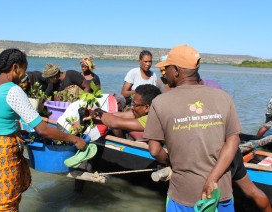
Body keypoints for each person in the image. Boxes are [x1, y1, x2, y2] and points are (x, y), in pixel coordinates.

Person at [0, 48, 87, 211]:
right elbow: (42, 129)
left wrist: (16, 131)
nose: (24, 75)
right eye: (23, 70)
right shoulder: (13, 90)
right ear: (15, 67)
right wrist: (74, 139)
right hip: (1, 157)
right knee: (6, 206)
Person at [143, 44, 241, 211]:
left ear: (177, 70)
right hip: (220, 193)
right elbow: (233, 140)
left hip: (183, 196)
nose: (165, 73)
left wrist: (170, 161)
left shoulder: (160, 102)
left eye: (167, 68)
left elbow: (154, 149)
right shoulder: (223, 97)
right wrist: (212, 179)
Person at [85, 84, 161, 138]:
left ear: (147, 107)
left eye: (134, 104)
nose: (131, 107)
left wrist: (98, 111)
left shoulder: (152, 119)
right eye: (132, 103)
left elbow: (114, 122)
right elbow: (115, 116)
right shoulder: (137, 111)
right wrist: (91, 117)